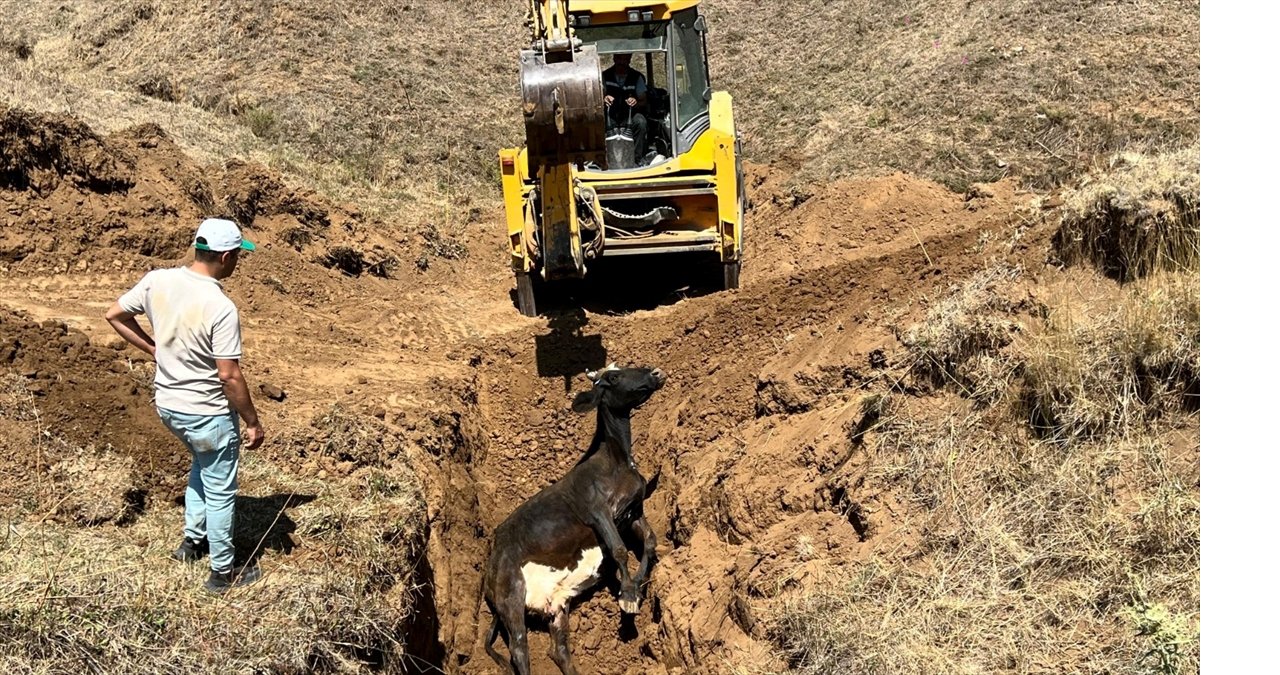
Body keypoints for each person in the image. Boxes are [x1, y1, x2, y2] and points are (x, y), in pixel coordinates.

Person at [105, 217, 266, 594]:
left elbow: (115, 315)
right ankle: (223, 572)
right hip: (207, 414)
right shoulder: (220, 306)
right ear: (226, 257)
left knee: (201, 464)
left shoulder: (157, 280)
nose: (238, 262)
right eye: (238, 256)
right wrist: (252, 422)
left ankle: (192, 543)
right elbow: (229, 376)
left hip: (169, 406)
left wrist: (153, 349)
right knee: (222, 489)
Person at [602, 53, 649, 165]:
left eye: (625, 59)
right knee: (597, 123)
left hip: (629, 116)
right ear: (614, 58)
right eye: (619, 58)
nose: (622, 62)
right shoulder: (604, 76)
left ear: (629, 60)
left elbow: (644, 101)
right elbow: (597, 97)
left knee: (641, 122)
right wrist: (604, 98)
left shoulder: (636, 77)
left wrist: (635, 102)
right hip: (610, 115)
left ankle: (637, 160)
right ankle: (602, 159)